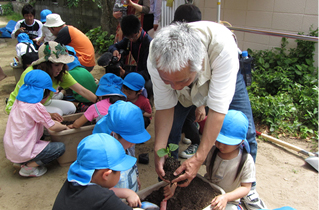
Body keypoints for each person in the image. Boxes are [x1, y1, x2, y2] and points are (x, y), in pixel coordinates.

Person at [147, 21, 261, 207]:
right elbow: (166, 106)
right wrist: (159, 148)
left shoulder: (222, 49)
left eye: (181, 80)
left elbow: (217, 110)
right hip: (189, 75)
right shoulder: (156, 55)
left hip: (221, 69)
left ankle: (248, 189)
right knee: (172, 130)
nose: (175, 88)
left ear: (198, 65)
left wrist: (199, 158)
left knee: (245, 132)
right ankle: (175, 181)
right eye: (167, 81)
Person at [164, 110, 267, 210]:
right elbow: (191, 167)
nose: (220, 145)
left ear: (241, 142)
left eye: (227, 143)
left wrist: (226, 197)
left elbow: (246, 188)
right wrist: (175, 184)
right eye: (218, 139)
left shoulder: (246, 161)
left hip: (228, 199)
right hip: (205, 189)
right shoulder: (212, 151)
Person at [5, 41, 99, 118]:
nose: (60, 68)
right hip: (20, 108)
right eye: (56, 65)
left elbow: (81, 90)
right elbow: (27, 105)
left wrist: (99, 103)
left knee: (71, 108)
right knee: (57, 113)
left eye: (62, 64)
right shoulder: (32, 74)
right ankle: (42, 130)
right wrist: (50, 115)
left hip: (41, 103)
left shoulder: (60, 73)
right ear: (45, 64)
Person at [3, 70, 68, 177]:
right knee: (59, 148)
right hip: (23, 149)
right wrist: (65, 127)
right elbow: (53, 126)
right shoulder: (36, 106)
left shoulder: (19, 101)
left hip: (12, 148)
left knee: (41, 134)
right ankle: (29, 167)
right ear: (43, 92)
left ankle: (20, 161)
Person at [52, 133, 142, 209]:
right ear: (106, 175)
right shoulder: (105, 199)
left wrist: (127, 192)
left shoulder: (73, 182)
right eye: (119, 171)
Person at [93, 100, 151, 192]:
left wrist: (135, 175)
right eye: (131, 140)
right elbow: (97, 187)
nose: (133, 144)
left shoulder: (125, 141)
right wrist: (124, 193)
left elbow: (131, 156)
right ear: (114, 134)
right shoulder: (101, 153)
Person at [171, 4, 204, 159]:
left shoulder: (204, 45)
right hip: (183, 92)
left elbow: (203, 77)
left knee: (186, 122)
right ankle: (172, 158)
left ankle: (195, 142)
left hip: (198, 92)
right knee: (178, 123)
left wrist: (201, 104)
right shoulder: (173, 41)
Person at [109, 15, 153, 99]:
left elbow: (147, 73)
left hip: (149, 74)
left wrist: (125, 74)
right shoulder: (130, 37)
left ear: (140, 29)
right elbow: (113, 46)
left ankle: (146, 102)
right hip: (138, 69)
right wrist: (115, 50)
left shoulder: (149, 44)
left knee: (148, 86)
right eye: (129, 38)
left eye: (133, 37)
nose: (131, 40)